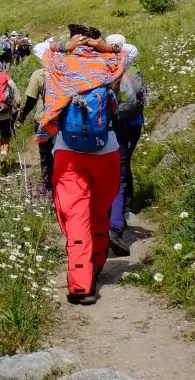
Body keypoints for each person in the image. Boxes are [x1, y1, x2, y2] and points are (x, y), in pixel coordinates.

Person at [34, 25, 126, 305]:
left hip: (68, 151)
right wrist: (105, 47)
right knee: (100, 211)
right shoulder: (110, 64)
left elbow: (42, 48)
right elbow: (129, 50)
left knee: (77, 217)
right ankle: (96, 264)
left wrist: (66, 46)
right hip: (107, 149)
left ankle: (80, 283)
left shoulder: (59, 63)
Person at [105, 33, 147, 257]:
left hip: (115, 127)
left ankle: (114, 225)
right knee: (123, 167)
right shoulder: (132, 68)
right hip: (134, 125)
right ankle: (123, 209)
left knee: (116, 175)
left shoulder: (106, 70)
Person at [18, 65, 53, 194]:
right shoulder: (66, 71)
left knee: (45, 154)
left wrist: (22, 115)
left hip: (43, 119)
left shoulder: (39, 74)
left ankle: (46, 184)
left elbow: (31, 100)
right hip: (63, 120)